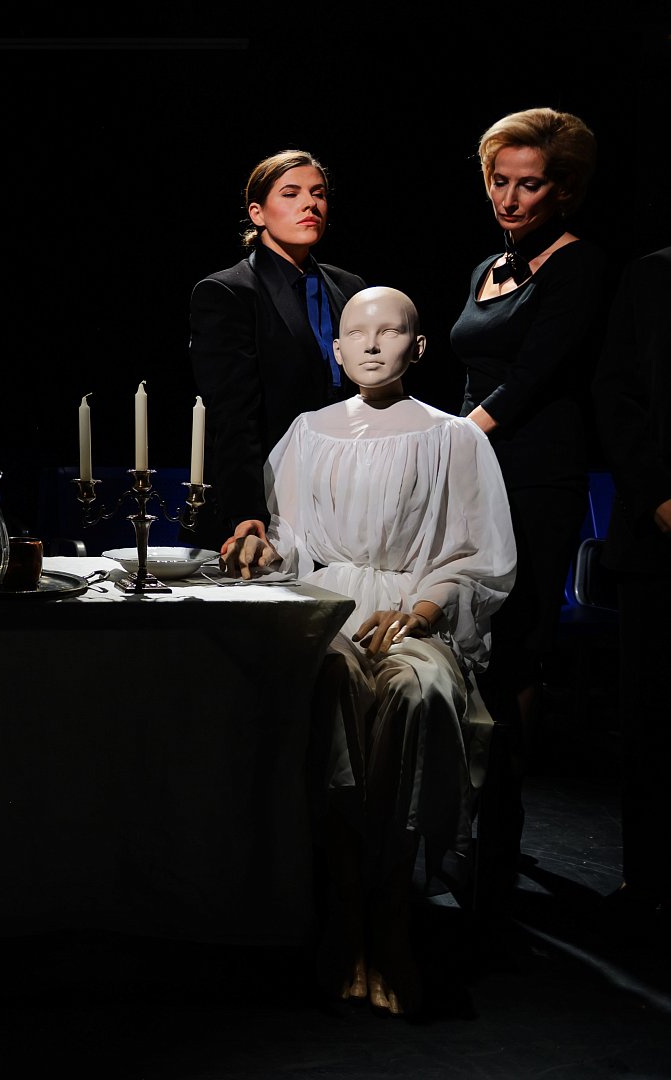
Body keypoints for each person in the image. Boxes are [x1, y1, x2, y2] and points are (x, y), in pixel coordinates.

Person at [229, 286, 516, 1014]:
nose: (371, 343)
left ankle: (391, 906)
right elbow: (292, 539)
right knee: (328, 681)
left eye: (390, 331)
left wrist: (424, 607)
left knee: (419, 694)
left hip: (409, 609)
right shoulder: (307, 432)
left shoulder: (453, 437)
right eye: (356, 332)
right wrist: (264, 549)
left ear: (418, 348)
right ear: (335, 348)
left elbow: (477, 553)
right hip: (325, 605)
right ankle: (345, 904)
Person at [449, 107, 611, 831]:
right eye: (499, 181)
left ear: (564, 189)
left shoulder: (579, 264)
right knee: (469, 631)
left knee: (518, 639)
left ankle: (502, 823)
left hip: (535, 472)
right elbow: (474, 378)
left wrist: (452, 442)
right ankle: (464, 803)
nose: (508, 199)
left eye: (529, 184)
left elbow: (531, 379)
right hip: (475, 466)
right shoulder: (487, 267)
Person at [189, 149, 366, 563]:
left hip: (345, 493)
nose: (310, 204)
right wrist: (246, 511)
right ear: (258, 213)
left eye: (318, 193)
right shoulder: (229, 292)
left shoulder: (350, 287)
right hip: (271, 495)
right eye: (291, 193)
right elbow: (233, 415)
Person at [591, 245, 671, 923]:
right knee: (650, 715)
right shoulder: (651, 274)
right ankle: (644, 881)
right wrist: (657, 496)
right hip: (656, 533)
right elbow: (616, 393)